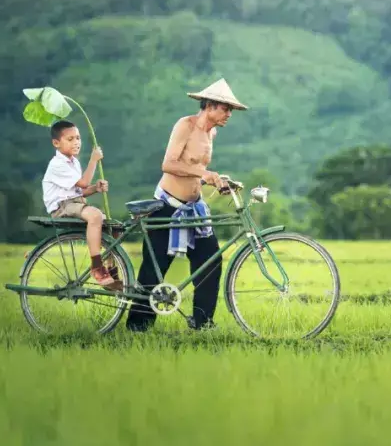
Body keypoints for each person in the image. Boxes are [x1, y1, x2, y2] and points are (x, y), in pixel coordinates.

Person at [126, 78, 248, 332]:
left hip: (195, 207)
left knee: (210, 261)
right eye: (226, 109)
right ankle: (138, 327)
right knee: (154, 268)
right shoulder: (186, 125)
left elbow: (197, 170)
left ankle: (203, 323)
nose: (229, 115)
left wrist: (217, 180)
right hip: (167, 206)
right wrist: (205, 175)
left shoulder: (211, 133)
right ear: (211, 105)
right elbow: (168, 164)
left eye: (231, 110)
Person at [41, 120, 115, 287]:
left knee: (113, 228)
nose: (76, 142)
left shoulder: (73, 162)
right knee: (95, 215)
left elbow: (80, 191)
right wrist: (94, 160)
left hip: (75, 202)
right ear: (56, 143)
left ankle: (113, 268)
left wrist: (95, 187)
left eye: (78, 138)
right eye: (70, 139)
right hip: (62, 206)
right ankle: (97, 266)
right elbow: (82, 183)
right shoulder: (57, 164)